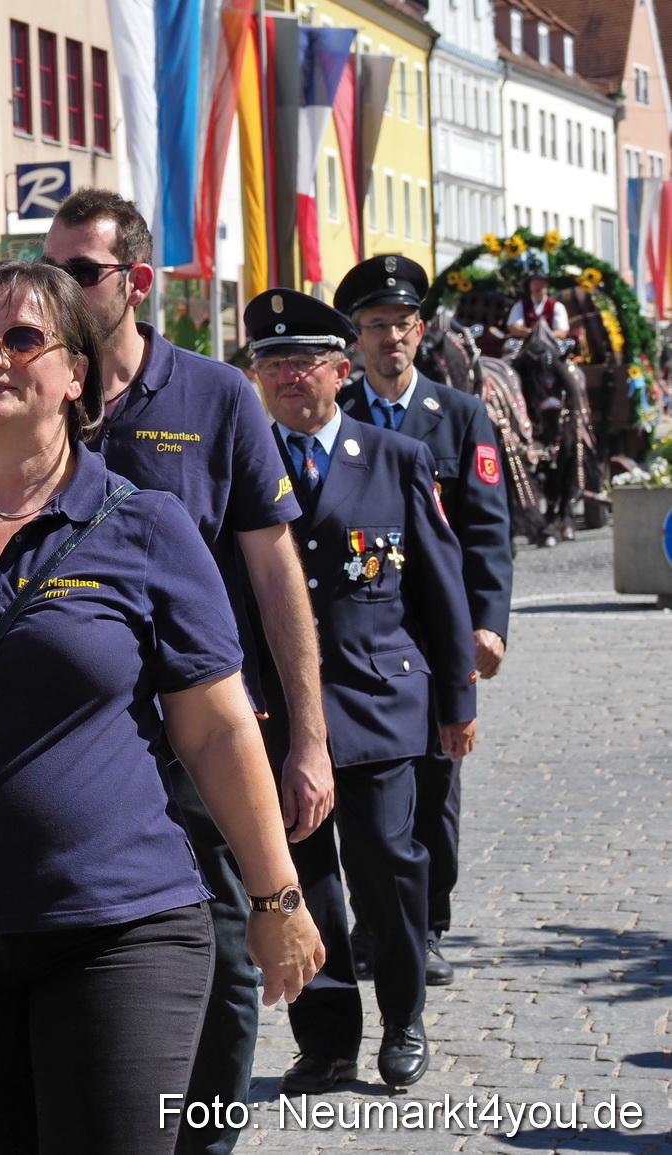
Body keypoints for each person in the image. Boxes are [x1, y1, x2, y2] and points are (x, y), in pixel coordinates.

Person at [0, 260, 321, 1155]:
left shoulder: (145, 524)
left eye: (23, 338)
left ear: (76, 373)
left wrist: (277, 896)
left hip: (122, 928)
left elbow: (218, 727)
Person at [44, 188, 329, 1155]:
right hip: (78, 740)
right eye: (53, 270)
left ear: (138, 280)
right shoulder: (43, 392)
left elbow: (275, 571)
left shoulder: (214, 397)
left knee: (220, 948)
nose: (63, 289)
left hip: (203, 735)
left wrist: (309, 739)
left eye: (81, 271)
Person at [246, 288, 476, 1092]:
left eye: (302, 362)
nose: (286, 377)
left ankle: (404, 1016)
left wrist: (458, 701)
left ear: (341, 372)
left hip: (380, 704)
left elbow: (442, 591)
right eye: (270, 364)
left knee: (389, 865)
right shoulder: (245, 465)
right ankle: (329, 1036)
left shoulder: (394, 458)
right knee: (305, 879)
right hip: (279, 714)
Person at [333, 254, 512, 986]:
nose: (390, 338)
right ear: (356, 337)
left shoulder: (459, 415)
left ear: (421, 329)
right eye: (376, 326)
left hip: (433, 636)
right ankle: (373, 921)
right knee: (361, 784)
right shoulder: (335, 415)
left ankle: (426, 921)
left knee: (434, 784)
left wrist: (487, 623)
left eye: (401, 324)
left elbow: (486, 533)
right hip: (362, 633)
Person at [506, 269, 570, 340]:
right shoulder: (520, 305)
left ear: (547, 286)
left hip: (551, 344)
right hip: (526, 343)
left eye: (541, 284)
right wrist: (530, 333)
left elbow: (562, 331)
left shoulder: (557, 306)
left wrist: (543, 335)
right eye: (535, 283)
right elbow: (513, 327)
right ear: (530, 286)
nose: (538, 287)